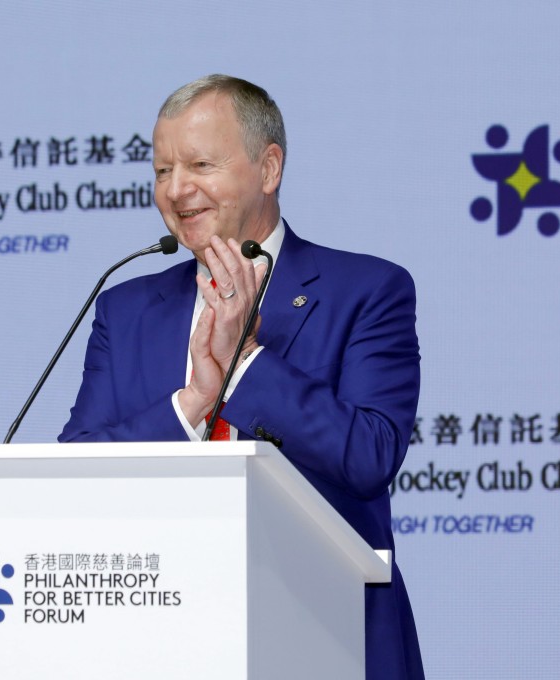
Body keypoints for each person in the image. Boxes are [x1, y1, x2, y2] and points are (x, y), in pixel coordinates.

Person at [59, 74, 424, 679]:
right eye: (161, 171)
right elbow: (74, 472)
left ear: (268, 167)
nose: (177, 191)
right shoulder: (125, 311)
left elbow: (369, 455)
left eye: (200, 164)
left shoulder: (365, 291)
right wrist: (192, 403)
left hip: (327, 634)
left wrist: (247, 364)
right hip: (158, 640)